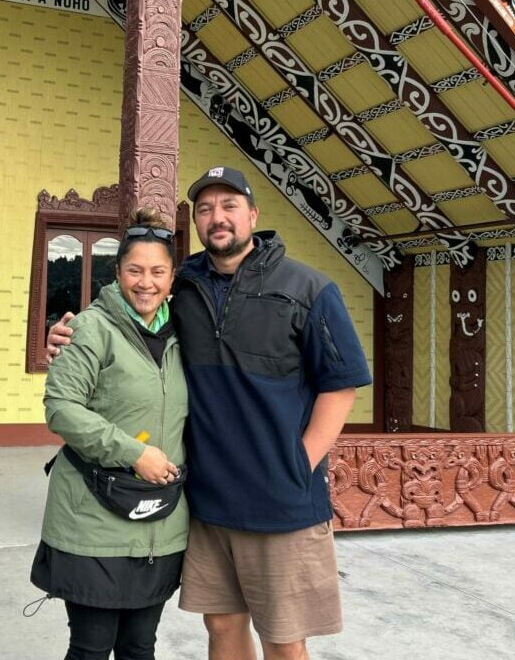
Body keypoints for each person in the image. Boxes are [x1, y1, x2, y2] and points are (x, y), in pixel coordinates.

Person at [49, 167, 371, 660]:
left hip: (280, 501)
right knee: (221, 624)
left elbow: (341, 385)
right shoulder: (188, 288)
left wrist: (297, 465)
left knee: (283, 636)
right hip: (207, 502)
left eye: (229, 206)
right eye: (204, 209)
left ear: (253, 215)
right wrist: (70, 337)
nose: (217, 218)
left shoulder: (307, 288)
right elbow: (135, 317)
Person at [32, 208, 188, 660]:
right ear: (117, 272)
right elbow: (61, 408)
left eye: (158, 271)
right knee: (91, 648)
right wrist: (134, 453)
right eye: (135, 270)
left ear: (172, 277)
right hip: (94, 519)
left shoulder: (186, 334)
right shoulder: (89, 328)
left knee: (141, 647)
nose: (146, 282)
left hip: (161, 520)